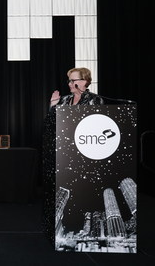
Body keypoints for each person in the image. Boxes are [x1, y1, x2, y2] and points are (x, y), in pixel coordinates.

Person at [42, 67, 104, 240]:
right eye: (69, 81)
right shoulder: (65, 100)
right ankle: (60, 230)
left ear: (84, 81)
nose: (70, 84)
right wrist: (53, 106)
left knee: (81, 194)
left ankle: (85, 231)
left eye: (73, 80)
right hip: (62, 153)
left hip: (84, 154)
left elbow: (96, 124)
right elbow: (50, 124)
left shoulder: (95, 100)